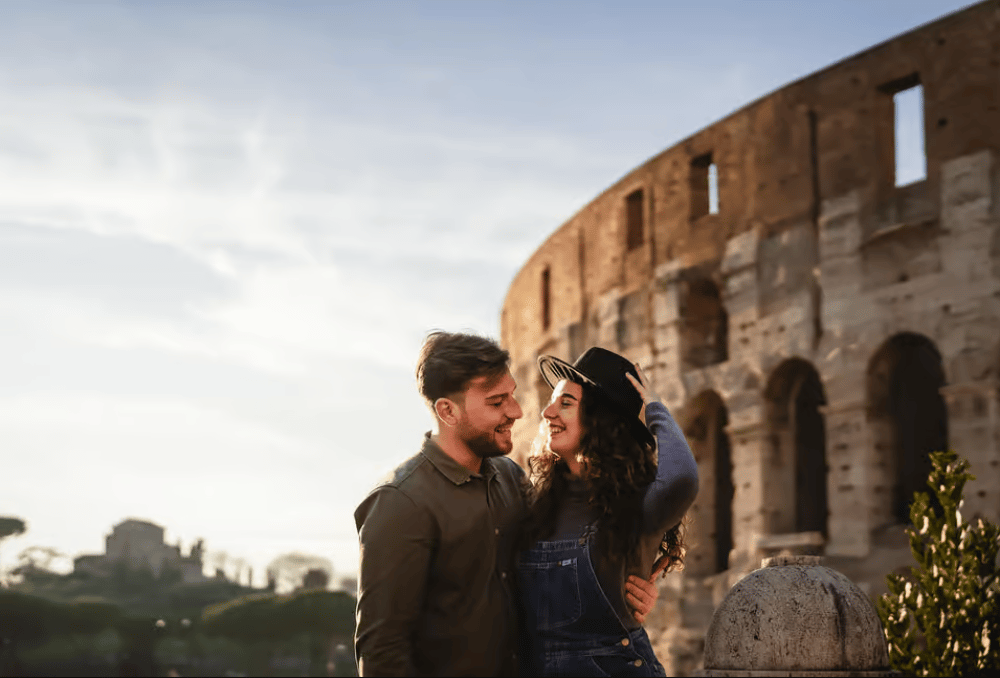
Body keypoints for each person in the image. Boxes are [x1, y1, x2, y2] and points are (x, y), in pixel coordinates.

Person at [354, 331, 662, 677]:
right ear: (447, 411)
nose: (516, 412)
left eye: (512, 396)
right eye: (497, 402)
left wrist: (625, 587)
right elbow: (382, 652)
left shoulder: (511, 479)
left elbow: (561, 563)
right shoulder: (399, 503)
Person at [517, 346, 699, 677]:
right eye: (552, 400)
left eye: (566, 403)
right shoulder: (534, 503)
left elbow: (683, 477)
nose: (547, 412)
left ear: (601, 420)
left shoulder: (638, 507)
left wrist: (655, 408)